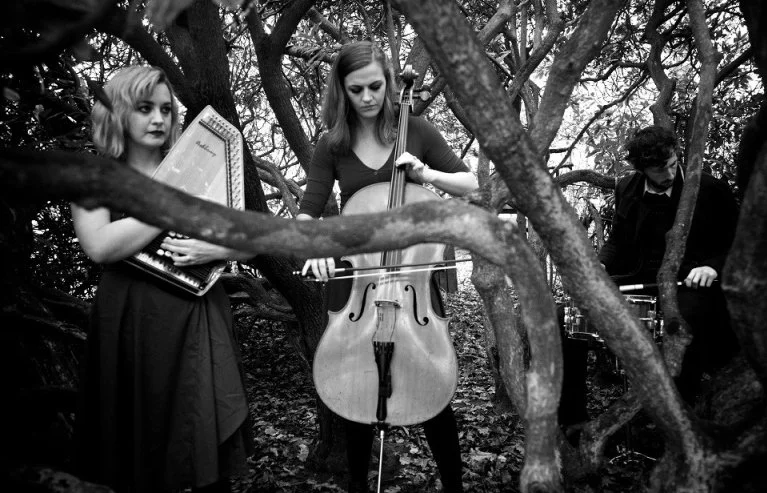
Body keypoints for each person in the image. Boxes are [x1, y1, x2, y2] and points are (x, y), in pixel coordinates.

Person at [297, 41, 478, 493]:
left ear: (390, 83)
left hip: (413, 282)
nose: (368, 98)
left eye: (376, 86)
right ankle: (358, 485)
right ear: (341, 91)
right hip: (358, 288)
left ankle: (454, 487)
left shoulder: (415, 130)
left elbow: (472, 185)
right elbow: (307, 213)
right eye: (355, 90)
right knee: (354, 389)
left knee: (436, 394)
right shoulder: (332, 145)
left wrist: (428, 175)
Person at [71, 66, 254, 493]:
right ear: (117, 113)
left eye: (166, 110)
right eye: (144, 108)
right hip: (132, 322)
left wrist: (223, 250)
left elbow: (249, 239)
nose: (159, 119)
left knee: (206, 445)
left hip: (197, 316)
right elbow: (99, 245)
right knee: (142, 449)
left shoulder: (200, 167)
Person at [598, 125, 740, 402]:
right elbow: (617, 238)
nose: (671, 174)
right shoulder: (626, 188)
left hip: (689, 285)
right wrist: (600, 265)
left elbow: (737, 243)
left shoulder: (710, 189)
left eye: (673, 164)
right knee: (562, 318)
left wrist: (711, 267)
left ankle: (681, 410)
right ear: (642, 169)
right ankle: (572, 421)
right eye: (660, 170)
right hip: (638, 281)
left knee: (682, 322)